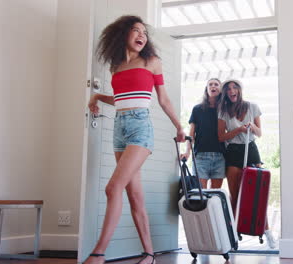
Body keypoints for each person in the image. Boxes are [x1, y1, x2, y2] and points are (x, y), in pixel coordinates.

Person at [85, 15, 185, 264]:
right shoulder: (115, 66)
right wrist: (97, 97)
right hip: (119, 128)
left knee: (112, 188)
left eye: (144, 32)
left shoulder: (152, 61)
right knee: (134, 196)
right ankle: (149, 254)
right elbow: (120, 99)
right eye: (135, 30)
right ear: (122, 35)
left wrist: (179, 126)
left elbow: (163, 99)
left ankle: (98, 253)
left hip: (141, 128)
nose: (141, 35)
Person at [217, 79, 276, 249]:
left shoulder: (252, 107)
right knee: (236, 197)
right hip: (233, 152)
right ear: (226, 93)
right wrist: (238, 130)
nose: (231, 90)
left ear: (240, 90)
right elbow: (221, 136)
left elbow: (259, 133)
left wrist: (250, 127)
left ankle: (267, 231)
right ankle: (235, 233)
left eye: (234, 87)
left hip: (251, 149)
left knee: (258, 194)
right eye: (228, 89)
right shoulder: (223, 111)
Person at [180, 78, 225, 189]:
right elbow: (191, 134)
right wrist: (187, 152)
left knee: (216, 194)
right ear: (206, 89)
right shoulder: (197, 109)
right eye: (210, 84)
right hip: (200, 157)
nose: (213, 86)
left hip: (220, 156)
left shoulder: (224, 110)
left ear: (220, 89)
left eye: (216, 84)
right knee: (201, 195)